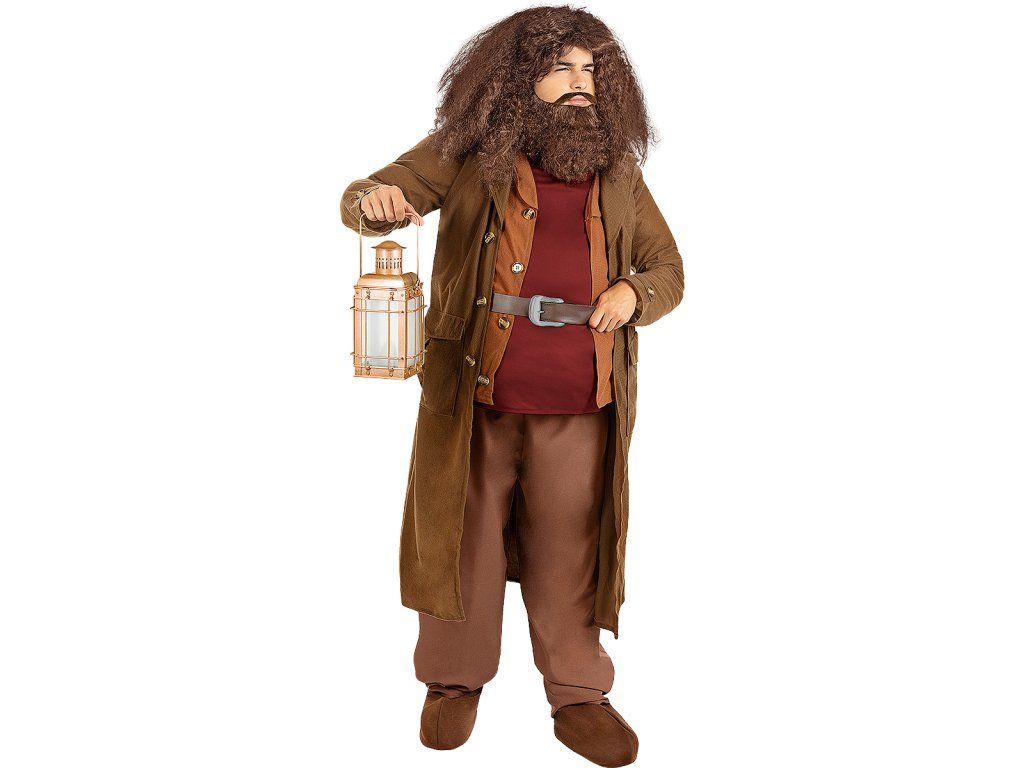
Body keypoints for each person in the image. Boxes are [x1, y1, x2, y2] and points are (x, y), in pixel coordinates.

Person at [341, 7, 685, 766]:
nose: (580, 83)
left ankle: (578, 695)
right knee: (461, 545)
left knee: (570, 554)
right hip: (474, 402)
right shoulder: (466, 151)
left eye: (591, 70)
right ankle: (452, 683)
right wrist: (374, 202)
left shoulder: (619, 174)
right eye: (563, 67)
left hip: (580, 404)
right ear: (518, 77)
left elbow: (668, 269)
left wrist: (633, 293)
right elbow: (376, 192)